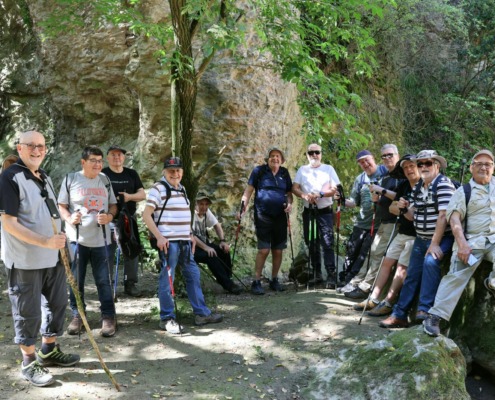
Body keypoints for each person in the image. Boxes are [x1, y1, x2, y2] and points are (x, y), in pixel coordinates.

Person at [0, 131, 80, 387]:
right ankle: (29, 362)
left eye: (41, 146)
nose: (37, 150)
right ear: (20, 148)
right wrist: (45, 241)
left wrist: (59, 244)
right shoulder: (9, 178)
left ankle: (48, 350)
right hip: (25, 260)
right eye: (31, 146)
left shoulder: (43, 175)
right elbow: (9, 223)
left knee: (57, 305)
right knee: (28, 313)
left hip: (53, 257)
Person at [142, 157, 223, 334]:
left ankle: (201, 314)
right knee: (168, 279)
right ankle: (167, 318)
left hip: (185, 242)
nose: (175, 174)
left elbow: (184, 215)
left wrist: (190, 235)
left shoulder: (182, 189)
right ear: (164, 172)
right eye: (171, 171)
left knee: (193, 275)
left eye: (178, 170)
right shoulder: (158, 188)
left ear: (182, 172)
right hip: (168, 243)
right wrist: (159, 237)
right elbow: (146, 215)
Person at [380, 150, 455, 329]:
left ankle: (424, 310)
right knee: (412, 274)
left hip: (443, 238)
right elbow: (412, 216)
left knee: (430, 262)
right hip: (421, 238)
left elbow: (444, 216)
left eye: (428, 163)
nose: (423, 167)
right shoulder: (419, 186)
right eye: (420, 164)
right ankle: (399, 315)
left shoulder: (443, 184)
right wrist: (404, 208)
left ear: (437, 166)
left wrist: (435, 244)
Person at [423, 150, 495, 336]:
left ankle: (492, 283)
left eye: (488, 164)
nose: (483, 167)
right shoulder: (463, 191)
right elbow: (454, 220)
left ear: (493, 168)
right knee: (456, 275)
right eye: (479, 164)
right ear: (471, 167)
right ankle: (435, 316)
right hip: (472, 241)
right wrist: (462, 244)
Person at [58, 145, 118, 337]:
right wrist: (69, 218)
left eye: (100, 161)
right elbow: (61, 205)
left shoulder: (105, 179)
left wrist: (109, 217)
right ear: (83, 162)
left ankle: (108, 317)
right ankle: (78, 316)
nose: (98, 164)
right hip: (76, 240)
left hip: (102, 240)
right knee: (76, 280)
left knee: (104, 281)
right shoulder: (71, 179)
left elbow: (113, 205)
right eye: (93, 160)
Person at [353, 154, 419, 315]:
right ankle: (374, 298)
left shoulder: (424, 186)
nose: (409, 170)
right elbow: (392, 208)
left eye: (412, 166)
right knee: (386, 262)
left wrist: (404, 209)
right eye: (406, 167)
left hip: (416, 235)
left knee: (401, 267)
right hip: (402, 232)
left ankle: (388, 302)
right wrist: (404, 209)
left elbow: (411, 215)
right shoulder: (404, 185)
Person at [344, 144, 401, 299]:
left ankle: (364, 287)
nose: (387, 158)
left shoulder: (394, 174)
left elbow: (399, 197)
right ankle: (355, 282)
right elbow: (354, 202)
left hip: (391, 222)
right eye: (385, 156)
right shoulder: (382, 176)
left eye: (390, 155)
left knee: (375, 255)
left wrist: (381, 192)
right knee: (369, 253)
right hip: (376, 221)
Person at [240, 147, 293, 295]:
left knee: (278, 249)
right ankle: (256, 281)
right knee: (264, 249)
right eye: (272, 156)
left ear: (282, 160)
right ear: (268, 159)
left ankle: (274, 280)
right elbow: (248, 191)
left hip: (280, 216)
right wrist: (242, 207)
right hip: (263, 215)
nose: (275, 158)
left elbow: (289, 194)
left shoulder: (284, 173)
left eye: (277, 156)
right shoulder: (259, 171)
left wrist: (289, 203)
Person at [336, 149, 387, 293]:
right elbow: (353, 202)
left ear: (373, 158)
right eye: (361, 162)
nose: (365, 164)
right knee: (351, 252)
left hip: (378, 224)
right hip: (361, 223)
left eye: (367, 160)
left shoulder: (385, 173)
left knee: (364, 254)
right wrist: (341, 199)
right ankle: (345, 280)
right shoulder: (360, 179)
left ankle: (353, 282)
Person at [292, 143, 340, 288]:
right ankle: (316, 274)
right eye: (311, 152)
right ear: (307, 155)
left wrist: (320, 194)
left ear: (321, 154)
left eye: (317, 152)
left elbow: (335, 189)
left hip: (325, 211)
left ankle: (331, 275)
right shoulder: (302, 170)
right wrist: (305, 196)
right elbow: (295, 188)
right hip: (309, 212)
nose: (314, 155)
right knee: (311, 242)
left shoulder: (328, 169)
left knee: (327, 242)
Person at [102, 144, 146, 297]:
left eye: (120, 154)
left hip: (128, 219)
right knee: (107, 252)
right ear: (108, 157)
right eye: (113, 154)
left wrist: (129, 197)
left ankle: (130, 283)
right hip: (109, 219)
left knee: (131, 250)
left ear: (124, 157)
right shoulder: (102, 174)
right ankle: (107, 284)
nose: (117, 157)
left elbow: (142, 194)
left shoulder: (131, 174)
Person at [193, 191, 242, 295]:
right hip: (192, 248)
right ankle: (228, 285)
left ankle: (227, 279)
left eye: (206, 204)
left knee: (223, 250)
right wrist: (206, 248)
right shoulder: (190, 213)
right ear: (195, 204)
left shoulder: (206, 212)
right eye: (201, 204)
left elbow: (217, 225)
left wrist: (222, 241)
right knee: (211, 255)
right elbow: (190, 236)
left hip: (204, 244)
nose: (204, 207)